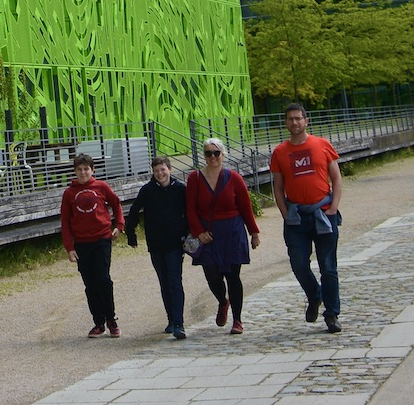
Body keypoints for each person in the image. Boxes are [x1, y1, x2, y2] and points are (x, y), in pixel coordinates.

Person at [270, 103, 344, 333]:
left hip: (323, 213)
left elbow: (337, 179)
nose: (294, 123)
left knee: (328, 267)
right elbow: (278, 188)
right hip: (297, 218)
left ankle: (332, 314)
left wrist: (333, 208)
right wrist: (285, 214)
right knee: (299, 264)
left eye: (298, 118)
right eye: (290, 119)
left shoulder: (322, 145)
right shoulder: (280, 152)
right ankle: (315, 295)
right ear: (285, 123)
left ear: (306, 121)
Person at [185, 136, 260, 334]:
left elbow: (246, 207)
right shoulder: (195, 178)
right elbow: (190, 209)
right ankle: (222, 301)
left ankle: (237, 319)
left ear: (223, 154)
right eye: (208, 153)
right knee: (212, 275)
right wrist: (198, 233)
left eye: (216, 153)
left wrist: (254, 232)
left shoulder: (233, 178)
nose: (212, 157)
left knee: (233, 276)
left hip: (232, 231)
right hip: (208, 233)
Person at [126, 155, 192, 339]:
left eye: (163, 170)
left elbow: (191, 212)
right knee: (164, 282)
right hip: (155, 243)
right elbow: (134, 211)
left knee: (174, 281)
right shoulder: (147, 190)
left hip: (175, 243)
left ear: (169, 169)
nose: (160, 173)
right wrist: (131, 234)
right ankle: (171, 319)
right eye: (156, 171)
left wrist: (186, 232)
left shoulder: (180, 189)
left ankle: (179, 322)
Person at [60, 153, 124, 338]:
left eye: (86, 169)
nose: (83, 173)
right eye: (79, 170)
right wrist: (69, 247)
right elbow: (65, 221)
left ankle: (111, 319)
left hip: (102, 239)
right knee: (90, 284)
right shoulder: (69, 193)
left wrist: (119, 225)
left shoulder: (101, 186)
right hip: (82, 243)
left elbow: (116, 204)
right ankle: (98, 322)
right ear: (74, 171)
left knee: (103, 280)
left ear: (93, 170)